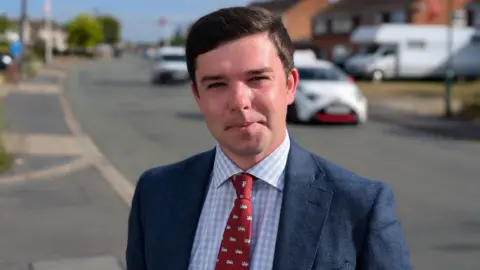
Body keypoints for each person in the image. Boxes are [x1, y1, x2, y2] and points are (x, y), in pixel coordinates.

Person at [126, 6, 413, 270]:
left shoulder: (361, 207)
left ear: (290, 86)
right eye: (216, 84)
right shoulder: (156, 194)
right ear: (197, 97)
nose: (240, 101)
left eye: (257, 79)